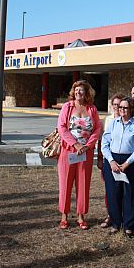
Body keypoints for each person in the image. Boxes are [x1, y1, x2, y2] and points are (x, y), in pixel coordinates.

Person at [57, 80, 101, 230]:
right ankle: (64, 216)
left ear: (87, 93)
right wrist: (75, 144)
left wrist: (87, 146)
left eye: (81, 90)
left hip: (85, 154)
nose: (78, 93)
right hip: (68, 151)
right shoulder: (67, 107)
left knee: (83, 184)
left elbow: (97, 130)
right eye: (76, 90)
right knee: (65, 184)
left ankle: (81, 216)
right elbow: (62, 128)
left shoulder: (92, 109)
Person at [101, 96, 134, 238]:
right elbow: (105, 144)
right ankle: (115, 223)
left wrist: (127, 163)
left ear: (131, 109)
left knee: (130, 193)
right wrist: (111, 161)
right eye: (120, 108)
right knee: (113, 193)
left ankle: (129, 225)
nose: (122, 110)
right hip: (112, 160)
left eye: (125, 108)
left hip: (129, 162)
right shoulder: (113, 124)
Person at [98, 93, 124, 229]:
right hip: (109, 159)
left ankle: (122, 216)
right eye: (114, 105)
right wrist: (101, 159)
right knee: (110, 190)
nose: (116, 107)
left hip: (123, 160)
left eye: (119, 105)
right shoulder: (107, 120)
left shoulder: (128, 120)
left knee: (122, 190)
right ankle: (111, 215)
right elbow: (102, 141)